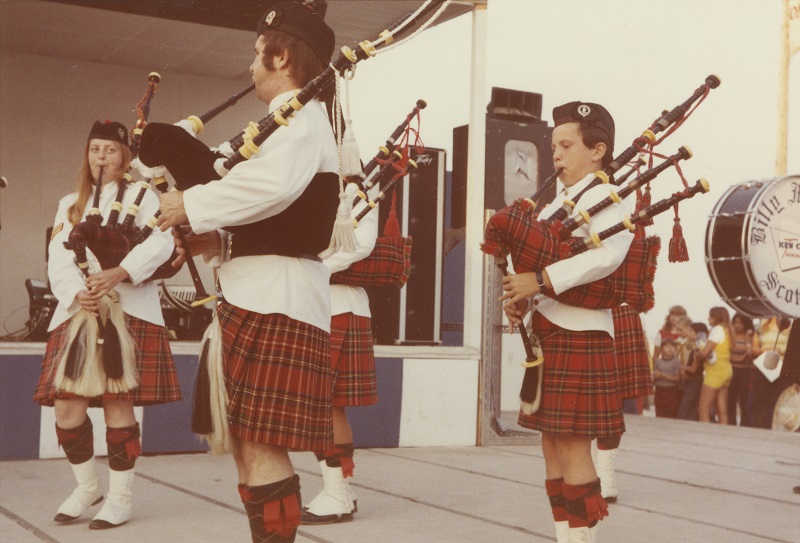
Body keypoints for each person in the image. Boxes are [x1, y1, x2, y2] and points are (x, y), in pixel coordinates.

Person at [157, 4, 338, 541]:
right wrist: (217, 236)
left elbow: (270, 188)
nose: (250, 68)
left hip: (275, 301)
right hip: (255, 294)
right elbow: (281, 219)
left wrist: (189, 202)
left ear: (280, 56)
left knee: (261, 442)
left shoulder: (301, 123)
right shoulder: (287, 123)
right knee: (246, 440)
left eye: (256, 56)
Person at [34, 120, 181, 529]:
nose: (101, 157)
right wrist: (75, 292)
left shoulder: (143, 196)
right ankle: (87, 487)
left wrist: (120, 272)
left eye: (110, 150)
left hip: (128, 306)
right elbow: (58, 256)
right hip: (79, 309)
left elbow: (162, 242)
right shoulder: (70, 203)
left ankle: (120, 497)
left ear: (124, 157)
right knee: (66, 409)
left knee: (119, 403)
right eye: (95, 149)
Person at [502, 101, 634, 543]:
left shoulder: (607, 196)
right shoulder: (557, 202)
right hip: (548, 330)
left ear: (598, 150)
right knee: (551, 446)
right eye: (553, 145)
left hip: (581, 331)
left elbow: (607, 256)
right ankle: (566, 537)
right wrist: (522, 298)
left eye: (566, 144)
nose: (555, 154)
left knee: (573, 445)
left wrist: (539, 279)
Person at [300, 181, 379, 525]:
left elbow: (360, 243)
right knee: (324, 404)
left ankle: (336, 493)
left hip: (339, 305)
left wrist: (312, 266)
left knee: (325, 404)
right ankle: (340, 489)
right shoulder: (307, 187)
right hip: (314, 304)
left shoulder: (357, 194)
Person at [748, 316, 792, 428]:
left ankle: (775, 426)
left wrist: (782, 351)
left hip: (782, 368)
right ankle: (761, 426)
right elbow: (754, 349)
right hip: (764, 367)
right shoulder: (760, 327)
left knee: (777, 399)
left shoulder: (790, 326)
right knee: (761, 399)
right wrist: (766, 350)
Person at [695, 306, 733, 424]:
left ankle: (706, 437)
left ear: (716, 318)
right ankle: (723, 436)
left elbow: (705, 353)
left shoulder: (716, 330)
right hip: (726, 370)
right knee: (722, 410)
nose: (708, 318)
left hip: (715, 372)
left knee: (703, 409)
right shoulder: (728, 331)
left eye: (710, 316)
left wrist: (698, 354)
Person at [727, 312, 757, 426]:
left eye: (740, 322)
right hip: (732, 370)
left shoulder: (751, 336)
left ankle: (745, 424)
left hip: (745, 371)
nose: (737, 325)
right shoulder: (731, 336)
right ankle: (731, 424)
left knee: (744, 399)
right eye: (735, 322)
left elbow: (750, 354)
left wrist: (749, 339)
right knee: (731, 399)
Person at [676, 320, 707, 421]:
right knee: (691, 409)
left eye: (691, 331)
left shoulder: (698, 349)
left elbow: (694, 369)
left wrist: (683, 368)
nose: (688, 333)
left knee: (685, 408)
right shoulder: (696, 347)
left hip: (694, 381)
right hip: (694, 381)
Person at [652, 337, 681, 418]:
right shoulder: (658, 362)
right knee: (659, 413)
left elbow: (677, 378)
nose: (670, 349)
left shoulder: (676, 362)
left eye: (672, 347)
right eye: (667, 347)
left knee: (670, 414)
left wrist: (662, 375)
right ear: (662, 349)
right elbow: (654, 378)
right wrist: (654, 377)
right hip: (659, 390)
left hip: (671, 391)